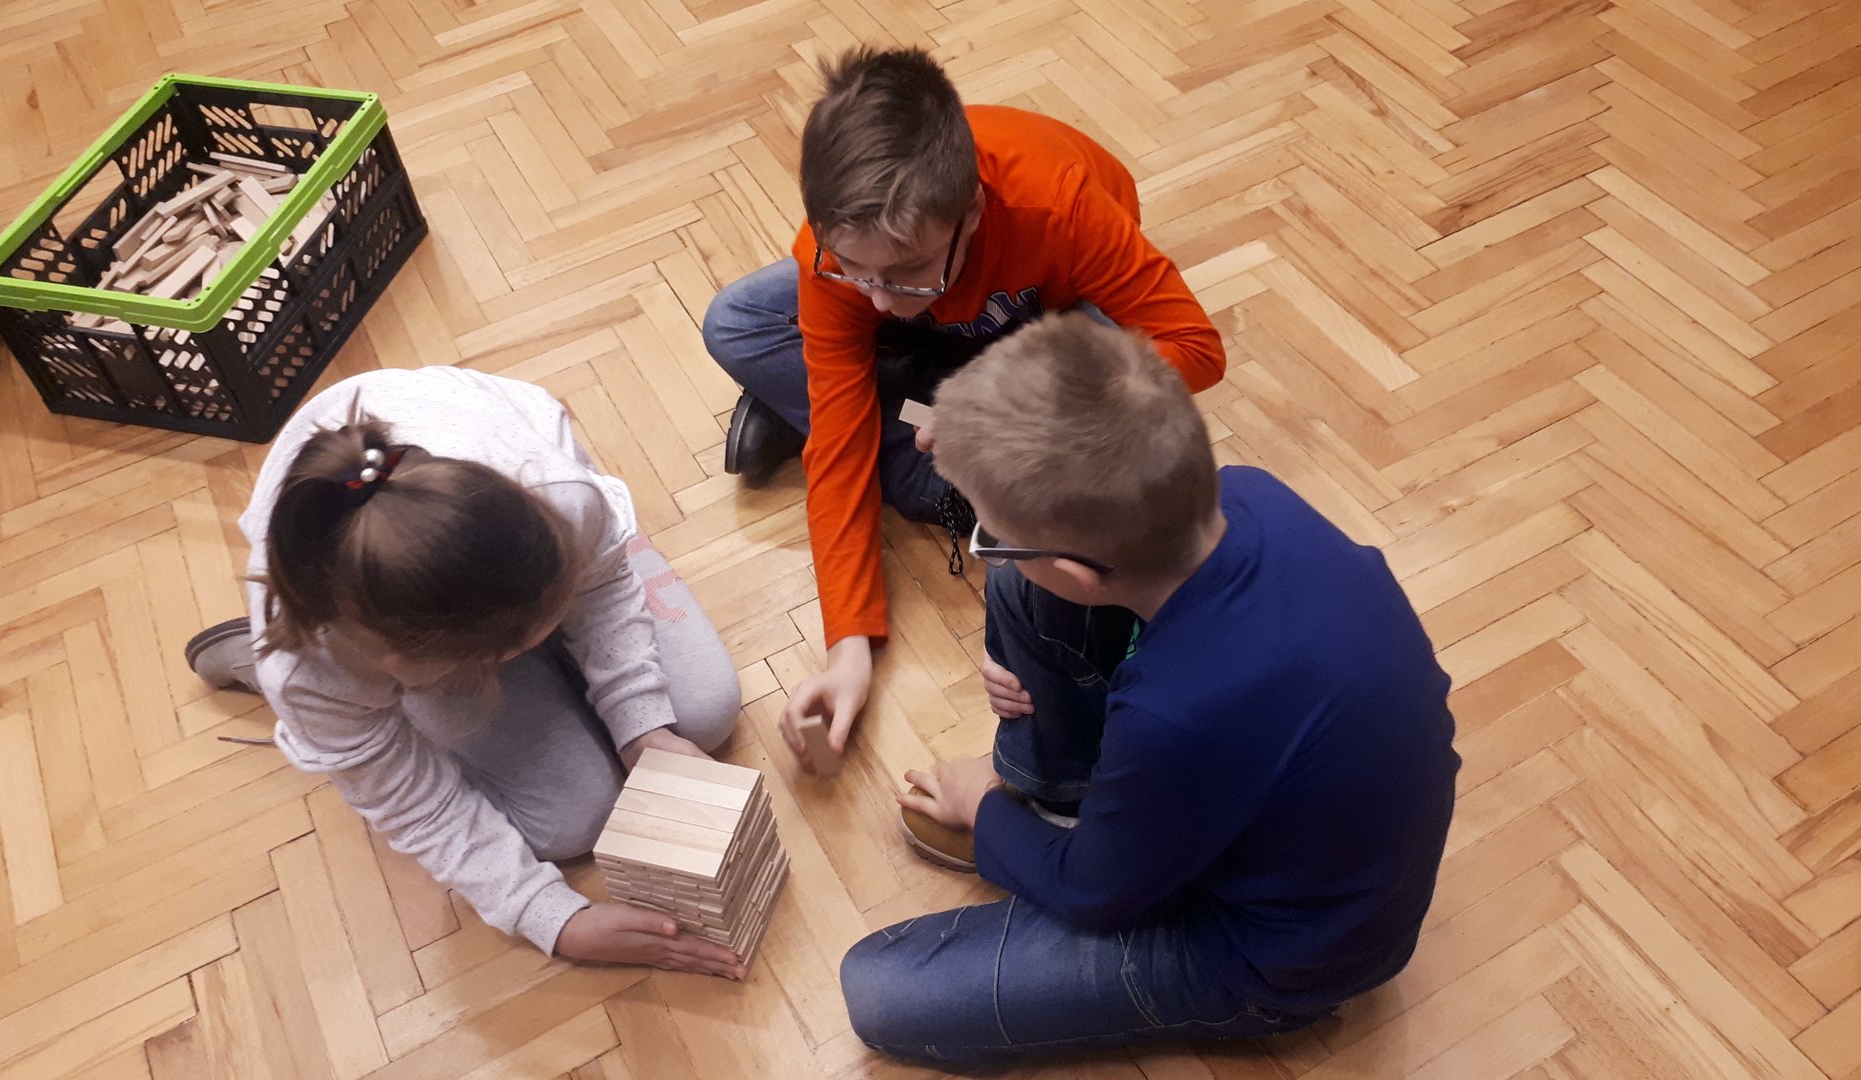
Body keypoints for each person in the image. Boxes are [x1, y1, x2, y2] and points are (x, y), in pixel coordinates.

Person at [838, 314, 1460, 1065]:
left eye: (992, 536)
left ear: (1078, 571)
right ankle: (1065, 804)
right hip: (1274, 812)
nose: (989, 549)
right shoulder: (1249, 493)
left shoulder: (1177, 716)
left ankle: (1059, 824)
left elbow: (1094, 894)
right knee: (1018, 592)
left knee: (879, 988)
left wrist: (985, 808)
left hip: (1275, 961)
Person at [700, 47, 1228, 768]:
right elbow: (840, 444)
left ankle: (903, 398)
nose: (878, 300)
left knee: (1120, 431)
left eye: (907, 271)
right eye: (854, 270)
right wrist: (848, 648)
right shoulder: (837, 262)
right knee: (735, 321)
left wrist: (1014, 411)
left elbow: (1197, 349)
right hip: (961, 337)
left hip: (1053, 320)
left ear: (972, 212)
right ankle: (915, 399)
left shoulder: (1060, 205)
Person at [185, 366, 748, 979]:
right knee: (569, 824)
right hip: (374, 657)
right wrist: (548, 915)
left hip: (524, 561)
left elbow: (604, 582)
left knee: (704, 710)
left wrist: (643, 726)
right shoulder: (313, 671)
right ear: (405, 664)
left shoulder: (558, 495)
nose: (537, 641)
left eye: (549, 612)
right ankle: (264, 666)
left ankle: (545, 624)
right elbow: (414, 804)